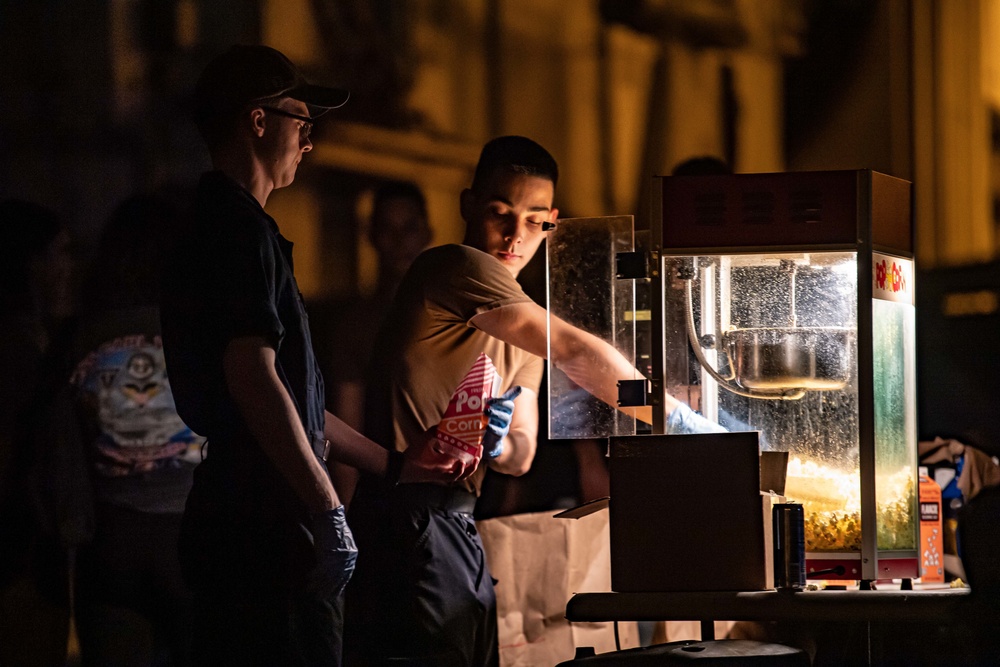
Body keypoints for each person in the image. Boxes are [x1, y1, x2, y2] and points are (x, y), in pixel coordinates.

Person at [346, 135, 723, 666]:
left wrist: (494, 442)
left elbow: (520, 454)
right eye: (500, 213)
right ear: (467, 205)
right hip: (404, 514)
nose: (514, 235)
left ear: (552, 222)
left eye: (534, 220)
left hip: (458, 520)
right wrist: (674, 419)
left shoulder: (518, 320)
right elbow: (572, 348)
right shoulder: (453, 266)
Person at [159, 44, 463, 666]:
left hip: (243, 515)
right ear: (258, 120)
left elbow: (293, 402)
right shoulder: (237, 230)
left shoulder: (228, 226)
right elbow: (253, 378)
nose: (310, 140)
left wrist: (399, 466)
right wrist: (327, 508)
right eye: (302, 120)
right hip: (262, 525)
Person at [56, 192, 200, 665]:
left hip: (109, 542)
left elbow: (67, 447)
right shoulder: (201, 330)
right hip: (192, 540)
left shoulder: (77, 336)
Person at [316, 181, 432, 506]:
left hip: (447, 496)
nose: (398, 241)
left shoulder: (451, 317)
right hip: (382, 495)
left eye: (409, 228)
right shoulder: (356, 326)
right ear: (371, 234)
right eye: (387, 228)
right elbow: (346, 423)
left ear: (426, 233)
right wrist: (345, 508)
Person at [0, 199, 76, 667]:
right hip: (20, 554)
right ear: (33, 263)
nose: (68, 268)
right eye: (60, 254)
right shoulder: (20, 350)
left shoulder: (30, 340)